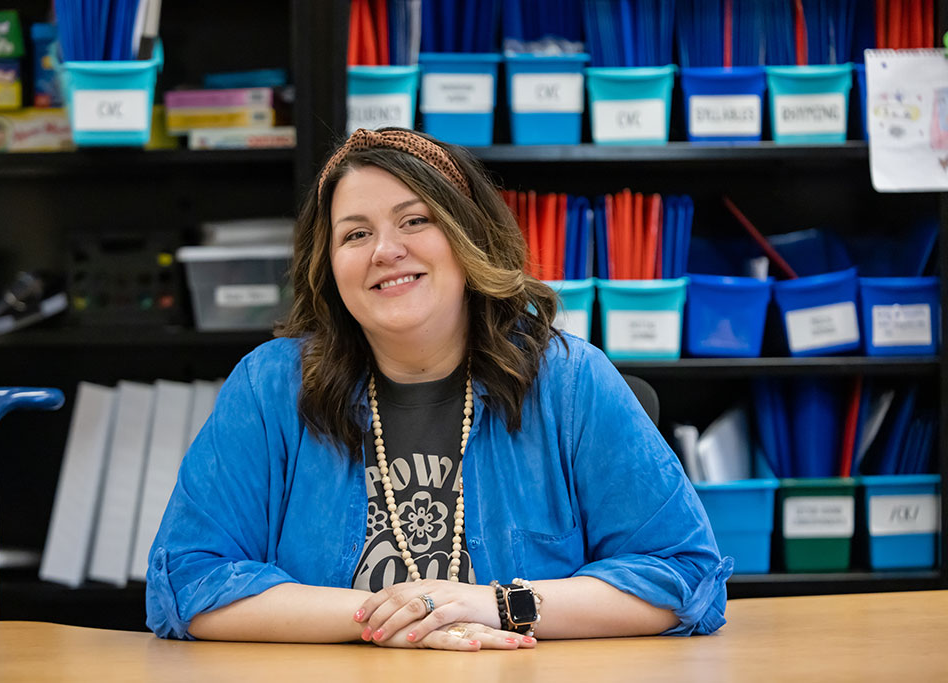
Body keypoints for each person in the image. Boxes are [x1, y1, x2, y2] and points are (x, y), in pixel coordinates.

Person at [146, 127, 733, 650]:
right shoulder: (270, 387)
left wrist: (496, 604)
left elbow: (684, 574)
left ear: (467, 235)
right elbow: (186, 582)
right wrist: (393, 619)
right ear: (328, 265)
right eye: (355, 234)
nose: (385, 251)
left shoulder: (571, 381)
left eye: (415, 220)